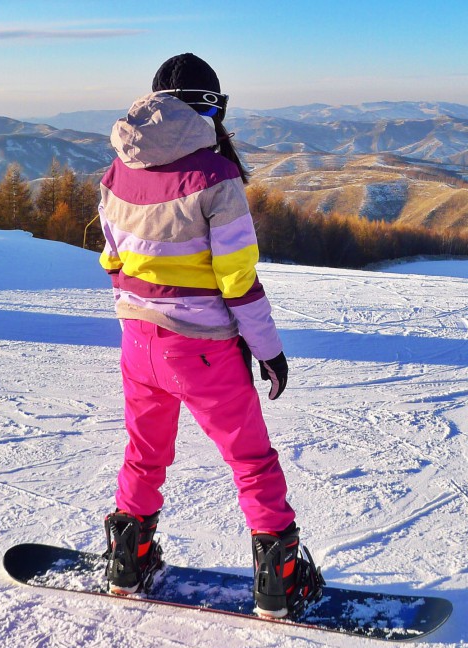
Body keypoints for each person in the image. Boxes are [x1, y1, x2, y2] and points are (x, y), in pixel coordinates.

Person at [96, 53, 323, 618]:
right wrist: (269, 351)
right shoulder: (215, 178)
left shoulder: (117, 169)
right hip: (199, 348)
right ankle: (280, 581)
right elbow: (238, 281)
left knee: (144, 452)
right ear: (212, 109)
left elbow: (111, 258)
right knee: (250, 458)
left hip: (137, 339)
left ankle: (130, 558)